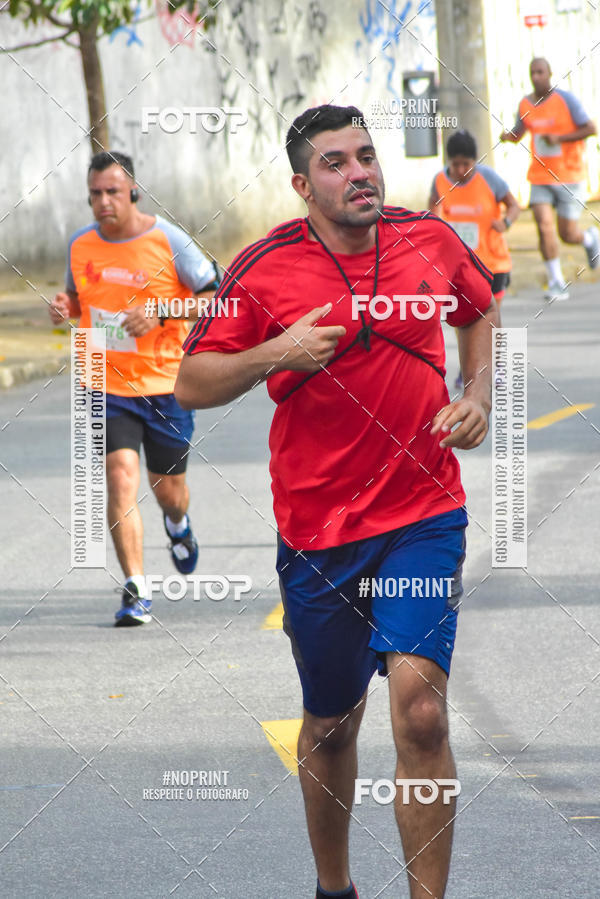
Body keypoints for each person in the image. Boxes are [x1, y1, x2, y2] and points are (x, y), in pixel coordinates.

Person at [175, 105, 499, 899]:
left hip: (423, 512)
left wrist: (478, 389)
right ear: (302, 185)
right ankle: (335, 887)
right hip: (319, 530)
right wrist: (274, 352)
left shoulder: (429, 238)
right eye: (335, 162)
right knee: (330, 723)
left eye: (366, 155)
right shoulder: (261, 269)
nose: (359, 172)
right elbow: (191, 382)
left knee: (421, 713)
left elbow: (481, 304)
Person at [49, 151, 220, 626]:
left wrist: (162, 313)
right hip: (103, 382)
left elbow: (217, 299)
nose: (104, 202)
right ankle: (137, 589)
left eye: (113, 192)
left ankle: (178, 524)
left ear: (134, 193)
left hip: (166, 384)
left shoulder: (169, 240)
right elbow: (77, 297)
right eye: (95, 194)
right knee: (120, 476)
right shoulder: (80, 245)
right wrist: (65, 306)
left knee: (169, 491)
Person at [500, 57, 599, 300]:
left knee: (567, 233)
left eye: (540, 72)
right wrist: (508, 136)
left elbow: (591, 128)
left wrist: (560, 139)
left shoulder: (566, 101)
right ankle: (556, 281)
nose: (536, 77)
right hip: (540, 176)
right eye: (532, 72)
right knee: (544, 227)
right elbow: (520, 131)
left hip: (569, 175)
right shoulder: (525, 104)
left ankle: (589, 238)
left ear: (550, 73)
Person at [429, 128, 520, 387]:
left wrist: (506, 222)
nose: (460, 170)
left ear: (475, 161)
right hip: (460, 266)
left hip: (493, 263)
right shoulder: (440, 182)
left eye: (466, 164)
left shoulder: (489, 179)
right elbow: (432, 215)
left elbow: (513, 205)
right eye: (454, 164)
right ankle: (467, 371)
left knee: (491, 319)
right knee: (463, 321)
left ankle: (498, 367)